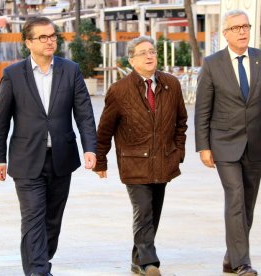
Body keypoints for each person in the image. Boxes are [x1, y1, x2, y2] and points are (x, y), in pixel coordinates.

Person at [195, 9, 261, 276]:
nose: (243, 31)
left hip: (256, 143)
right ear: (226, 34)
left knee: (247, 206)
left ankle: (232, 257)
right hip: (224, 144)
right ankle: (243, 263)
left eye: (246, 26)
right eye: (236, 28)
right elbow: (203, 110)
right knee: (236, 199)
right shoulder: (212, 64)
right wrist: (203, 146)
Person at [0, 16, 97, 276]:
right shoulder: (13, 74)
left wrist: (90, 148)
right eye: (43, 37)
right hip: (26, 159)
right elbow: (1, 120)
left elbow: (84, 114)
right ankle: (39, 271)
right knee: (33, 218)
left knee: (52, 220)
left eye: (53, 36)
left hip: (61, 157)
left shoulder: (70, 70)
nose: (50, 41)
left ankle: (39, 263)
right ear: (28, 42)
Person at [93, 36, 188, 276]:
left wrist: (178, 152)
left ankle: (138, 260)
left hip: (163, 160)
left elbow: (181, 122)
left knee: (154, 211)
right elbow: (105, 129)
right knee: (143, 209)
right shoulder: (119, 90)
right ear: (132, 60)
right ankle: (149, 261)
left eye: (152, 51)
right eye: (143, 53)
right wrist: (100, 160)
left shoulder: (172, 85)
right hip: (134, 162)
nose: (149, 56)